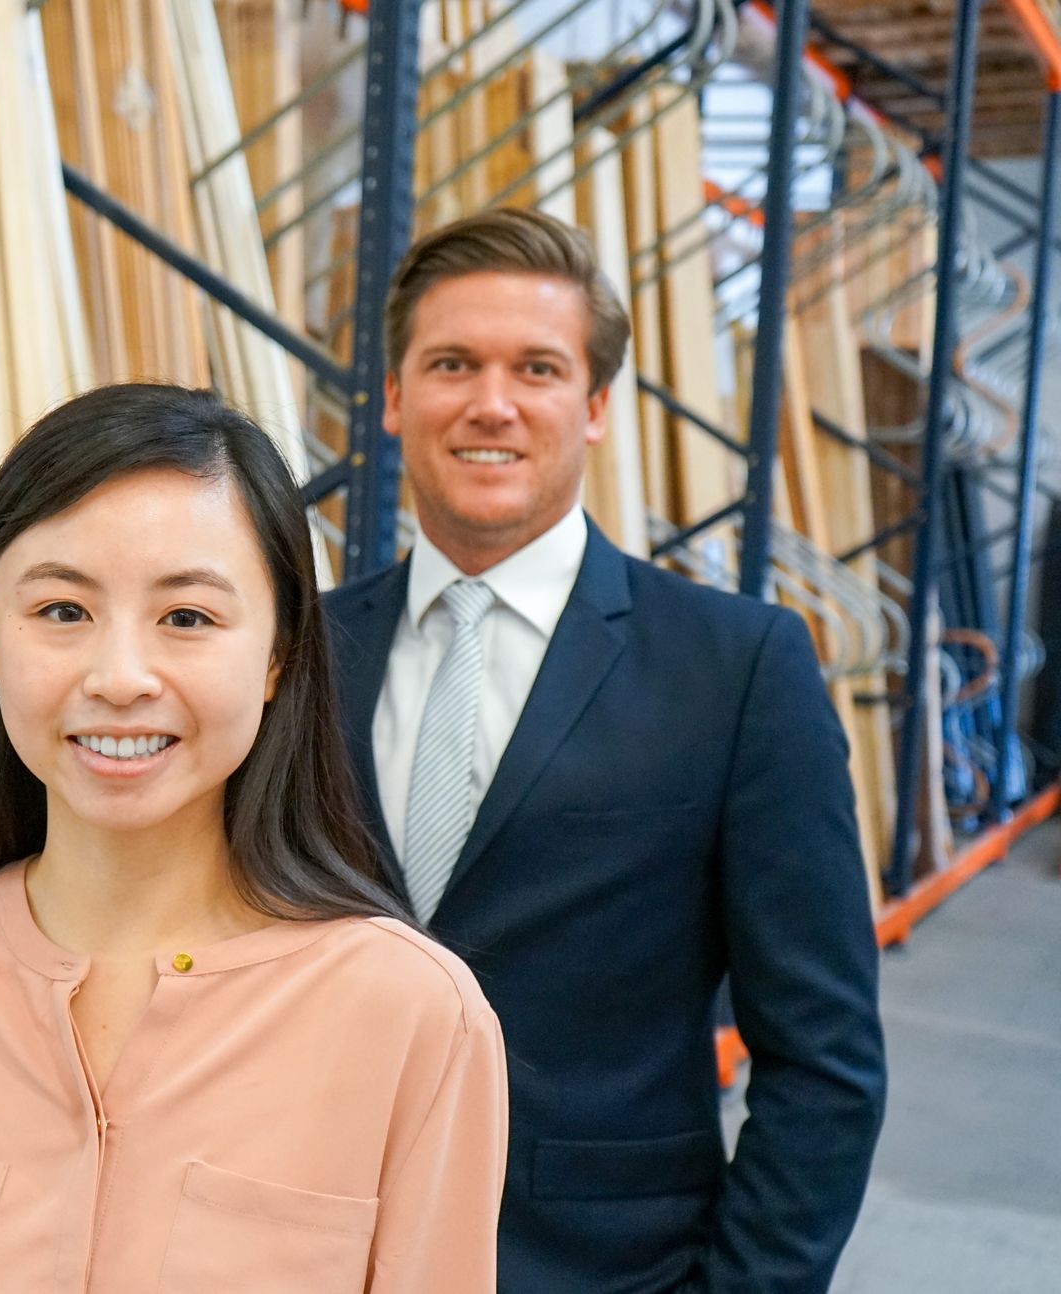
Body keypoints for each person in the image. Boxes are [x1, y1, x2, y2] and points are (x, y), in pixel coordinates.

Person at [0, 382, 509, 1293]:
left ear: (276, 655)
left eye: (186, 617)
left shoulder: (411, 1018)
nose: (119, 677)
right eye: (62, 611)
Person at [324, 207, 886, 1293]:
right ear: (394, 398)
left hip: (605, 1267)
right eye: (451, 364)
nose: (491, 402)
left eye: (536, 367)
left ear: (592, 409)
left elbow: (825, 1060)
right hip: (310, 1250)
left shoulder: (737, 669)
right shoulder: (299, 652)